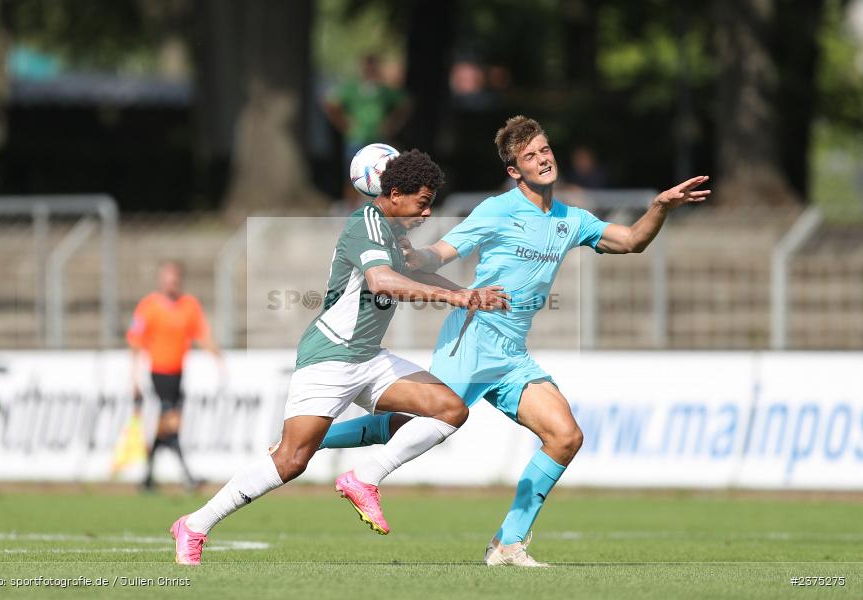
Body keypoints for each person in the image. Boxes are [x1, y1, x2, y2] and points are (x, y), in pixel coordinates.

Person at [316, 116, 711, 567]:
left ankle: (508, 544)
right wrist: (413, 254)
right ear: (514, 171)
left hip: (512, 355)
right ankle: (310, 440)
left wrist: (660, 206)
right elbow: (437, 254)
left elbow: (633, 241)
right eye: (530, 156)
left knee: (565, 436)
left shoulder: (572, 220)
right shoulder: (497, 210)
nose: (543, 159)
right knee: (408, 424)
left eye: (545, 150)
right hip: (473, 338)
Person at [170, 150, 508, 565]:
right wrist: (453, 297)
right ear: (394, 194)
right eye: (422, 202)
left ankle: (364, 477)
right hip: (330, 356)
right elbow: (382, 282)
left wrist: (469, 295)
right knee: (291, 460)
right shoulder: (366, 223)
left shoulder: (390, 231)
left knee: (449, 410)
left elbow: (413, 272)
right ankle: (196, 524)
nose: (427, 211)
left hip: (369, 357)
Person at [127, 260, 222, 492]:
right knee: (172, 423)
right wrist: (134, 377)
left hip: (178, 374)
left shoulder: (189, 305)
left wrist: (218, 357)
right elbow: (135, 342)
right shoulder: (148, 306)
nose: (171, 282)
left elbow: (201, 334)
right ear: (161, 280)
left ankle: (147, 478)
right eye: (167, 277)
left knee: (165, 427)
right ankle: (187, 476)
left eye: (175, 277)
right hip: (158, 373)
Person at [324, 54, 412, 207]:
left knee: (383, 174)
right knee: (354, 174)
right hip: (356, 137)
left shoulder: (384, 90)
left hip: (378, 137)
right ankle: (351, 208)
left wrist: (392, 124)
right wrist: (343, 124)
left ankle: (381, 208)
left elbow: (405, 104)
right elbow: (331, 104)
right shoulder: (352, 88)